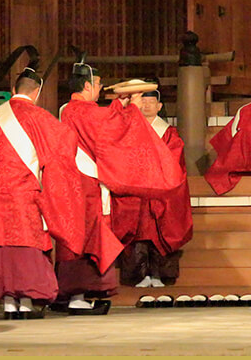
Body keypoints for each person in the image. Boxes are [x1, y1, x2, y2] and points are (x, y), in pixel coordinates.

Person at [57, 58, 184, 314]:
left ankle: (79, 294)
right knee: (87, 238)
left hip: (79, 181)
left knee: (88, 236)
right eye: (98, 84)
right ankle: (76, 295)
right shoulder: (79, 109)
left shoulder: (71, 109)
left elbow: (105, 120)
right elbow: (108, 127)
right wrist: (129, 109)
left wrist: (123, 105)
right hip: (85, 183)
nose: (99, 89)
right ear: (87, 85)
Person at [0, 67, 87, 319]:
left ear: (13, 90)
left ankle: (9, 305)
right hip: (23, 193)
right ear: (37, 92)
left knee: (0, 248)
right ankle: (26, 303)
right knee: (25, 247)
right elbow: (65, 146)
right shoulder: (40, 117)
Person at [113, 85, 193, 288]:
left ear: (159, 106)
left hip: (161, 192)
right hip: (137, 191)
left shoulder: (169, 133)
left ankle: (159, 274)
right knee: (138, 233)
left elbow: (174, 160)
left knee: (160, 232)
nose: (146, 106)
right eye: (143, 102)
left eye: (151, 102)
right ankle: (139, 276)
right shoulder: (127, 129)